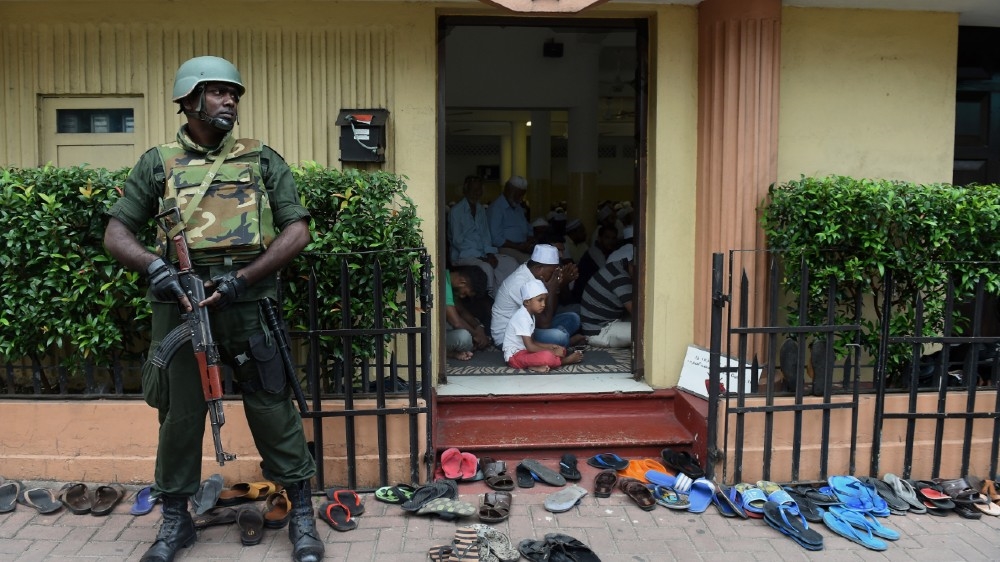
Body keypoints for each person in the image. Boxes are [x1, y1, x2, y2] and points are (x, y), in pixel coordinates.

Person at [103, 56, 323, 562]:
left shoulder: (263, 158)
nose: (231, 101)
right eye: (219, 92)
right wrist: (155, 269)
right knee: (180, 415)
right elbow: (117, 233)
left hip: (248, 302)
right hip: (180, 303)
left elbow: (297, 230)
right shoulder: (157, 163)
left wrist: (242, 278)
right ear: (188, 100)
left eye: (234, 93)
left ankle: (303, 515)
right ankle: (176, 521)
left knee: (271, 408)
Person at [491, 244, 584, 349]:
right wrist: (553, 289)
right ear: (539, 268)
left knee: (573, 318)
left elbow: (549, 312)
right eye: (552, 272)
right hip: (509, 336)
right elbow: (545, 324)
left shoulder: (534, 273)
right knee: (559, 336)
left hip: (532, 326)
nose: (555, 275)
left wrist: (558, 286)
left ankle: (557, 341)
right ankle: (565, 341)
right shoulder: (522, 283)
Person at [448, 175, 518, 297]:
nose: (476, 193)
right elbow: (457, 242)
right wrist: (480, 257)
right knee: (486, 268)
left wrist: (490, 254)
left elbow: (486, 236)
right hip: (462, 255)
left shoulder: (481, 210)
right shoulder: (456, 211)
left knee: (510, 263)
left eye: (479, 190)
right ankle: (489, 299)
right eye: (473, 190)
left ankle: (506, 297)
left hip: (482, 254)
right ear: (465, 190)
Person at [502, 279, 584, 372]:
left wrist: (551, 346)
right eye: (540, 300)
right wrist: (552, 351)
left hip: (525, 351)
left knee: (561, 349)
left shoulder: (530, 315)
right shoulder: (522, 318)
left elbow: (533, 342)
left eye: (544, 300)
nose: (543, 304)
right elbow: (530, 347)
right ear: (527, 302)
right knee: (547, 356)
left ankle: (533, 366)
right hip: (515, 357)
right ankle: (565, 361)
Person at [580, 257, 634, 348]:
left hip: (602, 323)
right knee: (645, 333)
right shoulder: (620, 278)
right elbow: (637, 314)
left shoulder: (617, 266)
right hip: (600, 331)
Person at [445, 267, 491, 360]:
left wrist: (479, 327)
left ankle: (451, 353)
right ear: (462, 282)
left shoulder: (449, 281)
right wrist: (476, 336)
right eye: (465, 293)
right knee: (464, 337)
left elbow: (461, 312)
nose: (462, 296)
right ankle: (447, 353)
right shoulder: (443, 284)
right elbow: (456, 322)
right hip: (426, 338)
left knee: (473, 324)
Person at [487, 175, 535, 262]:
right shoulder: (496, 208)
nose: (521, 198)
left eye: (522, 195)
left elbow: (528, 229)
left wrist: (530, 240)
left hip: (522, 247)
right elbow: (496, 239)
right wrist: (518, 247)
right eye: (518, 195)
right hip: (505, 249)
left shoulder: (518, 207)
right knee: (530, 263)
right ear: (508, 189)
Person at [572, 224, 618, 303]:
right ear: (599, 238)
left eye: (613, 238)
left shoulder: (609, 252)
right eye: (607, 238)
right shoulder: (593, 253)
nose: (611, 241)